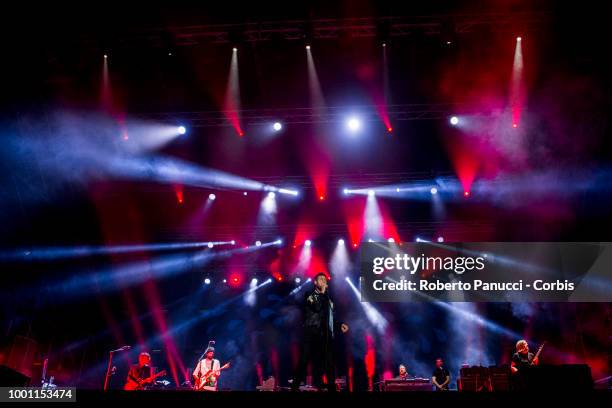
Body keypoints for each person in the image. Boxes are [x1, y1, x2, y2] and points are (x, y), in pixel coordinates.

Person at [291, 272, 349, 391]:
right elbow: (317, 308)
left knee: (329, 362)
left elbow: (329, 317)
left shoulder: (328, 298)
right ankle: (295, 386)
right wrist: (323, 294)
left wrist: (339, 325)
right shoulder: (310, 295)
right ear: (315, 283)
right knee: (304, 361)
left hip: (325, 335)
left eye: (324, 279)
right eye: (320, 279)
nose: (323, 281)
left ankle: (332, 387)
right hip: (311, 334)